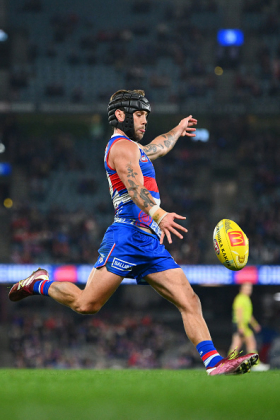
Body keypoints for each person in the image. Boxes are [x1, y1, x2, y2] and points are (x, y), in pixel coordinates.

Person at [9, 89, 258, 375]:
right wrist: (159, 214)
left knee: (189, 299)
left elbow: (158, 147)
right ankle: (38, 282)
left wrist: (177, 130)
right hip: (127, 236)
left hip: (148, 241)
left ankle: (214, 364)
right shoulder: (120, 148)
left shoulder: (134, 148)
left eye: (146, 116)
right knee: (86, 304)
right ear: (120, 115)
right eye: (139, 115)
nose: (144, 121)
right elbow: (135, 189)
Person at [229, 282, 269, 371]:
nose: (249, 291)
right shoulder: (240, 299)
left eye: (250, 289)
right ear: (241, 289)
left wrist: (255, 325)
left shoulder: (246, 299)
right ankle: (255, 364)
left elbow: (248, 315)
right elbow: (239, 313)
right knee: (251, 343)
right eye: (247, 289)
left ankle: (228, 364)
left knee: (236, 345)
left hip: (243, 325)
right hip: (241, 325)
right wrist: (241, 326)